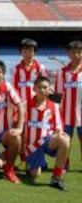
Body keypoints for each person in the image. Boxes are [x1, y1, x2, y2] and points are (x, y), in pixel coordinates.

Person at [25, 76, 70, 191]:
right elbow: (19, 125)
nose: (42, 90)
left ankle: (56, 177)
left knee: (65, 139)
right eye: (39, 87)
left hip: (47, 140)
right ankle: (32, 163)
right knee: (35, 174)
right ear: (34, 89)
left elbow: (59, 126)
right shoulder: (26, 105)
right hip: (32, 146)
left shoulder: (54, 106)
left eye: (45, 87)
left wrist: (59, 133)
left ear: (49, 89)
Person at [12, 38, 47, 171]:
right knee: (22, 136)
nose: (28, 53)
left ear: (34, 52)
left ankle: (38, 160)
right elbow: (14, 89)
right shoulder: (15, 69)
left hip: (36, 109)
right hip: (20, 109)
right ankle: (22, 160)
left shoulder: (40, 68)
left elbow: (45, 87)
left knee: (37, 135)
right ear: (21, 52)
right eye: (25, 50)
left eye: (31, 51)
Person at [55, 40, 82, 168]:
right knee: (66, 140)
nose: (77, 55)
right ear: (68, 54)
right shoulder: (62, 72)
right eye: (74, 52)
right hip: (66, 113)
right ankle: (64, 163)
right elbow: (58, 95)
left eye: (79, 52)